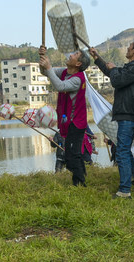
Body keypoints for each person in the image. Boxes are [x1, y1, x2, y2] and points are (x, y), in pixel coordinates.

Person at [90, 39, 134, 199]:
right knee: (125, 149)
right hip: (128, 114)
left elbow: (116, 79)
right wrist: (97, 59)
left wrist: (114, 69)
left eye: (129, 46)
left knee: (121, 151)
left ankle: (124, 190)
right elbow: (113, 73)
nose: (127, 48)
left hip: (129, 115)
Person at [39, 46, 91, 187]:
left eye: (75, 54)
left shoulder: (77, 79)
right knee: (73, 153)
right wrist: (43, 58)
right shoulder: (64, 72)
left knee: (71, 155)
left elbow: (60, 86)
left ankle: (80, 183)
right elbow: (46, 72)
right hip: (69, 120)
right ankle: (81, 178)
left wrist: (48, 67)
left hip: (76, 121)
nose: (71, 55)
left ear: (78, 64)